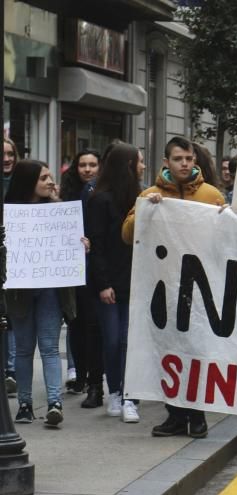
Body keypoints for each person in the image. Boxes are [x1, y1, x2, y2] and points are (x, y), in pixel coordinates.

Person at [123, 136, 226, 438]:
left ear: (195, 161)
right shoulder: (150, 194)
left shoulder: (211, 196)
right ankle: (176, 415)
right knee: (167, 353)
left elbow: (229, 240)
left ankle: (197, 415)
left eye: (189, 159)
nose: (184, 164)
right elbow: (128, 235)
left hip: (199, 288)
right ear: (166, 162)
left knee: (195, 352)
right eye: (178, 159)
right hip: (162, 287)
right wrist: (145, 212)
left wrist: (226, 217)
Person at [6, 160, 81, 427]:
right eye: (44, 178)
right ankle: (25, 404)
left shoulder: (60, 212)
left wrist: (80, 244)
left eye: (50, 177)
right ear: (29, 183)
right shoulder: (10, 214)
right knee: (25, 349)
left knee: (49, 348)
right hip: (19, 292)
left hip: (50, 289)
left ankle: (54, 403)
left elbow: (71, 249)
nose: (51, 182)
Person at [87, 143, 146, 424]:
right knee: (111, 341)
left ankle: (130, 398)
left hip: (134, 280)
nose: (143, 167)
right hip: (109, 282)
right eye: (139, 162)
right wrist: (103, 283)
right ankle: (114, 391)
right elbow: (96, 244)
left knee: (127, 341)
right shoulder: (100, 200)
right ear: (128, 166)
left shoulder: (141, 197)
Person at [60, 150, 105, 407]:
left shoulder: (100, 194)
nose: (87, 169)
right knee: (75, 324)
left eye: (92, 165)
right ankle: (79, 375)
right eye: (82, 165)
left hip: (91, 269)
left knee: (90, 325)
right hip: (70, 269)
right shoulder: (67, 195)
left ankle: (92, 379)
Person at [3, 138, 20, 395]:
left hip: (19, 260)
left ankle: (11, 369)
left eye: (10, 154)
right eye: (1, 154)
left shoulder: (22, 183)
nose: (6, 159)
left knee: (12, 316)